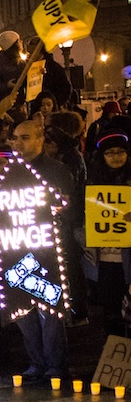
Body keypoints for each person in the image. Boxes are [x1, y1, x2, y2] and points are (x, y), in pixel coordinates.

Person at [9, 119, 72, 379]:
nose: (18, 143)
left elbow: (68, 209)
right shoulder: (9, 173)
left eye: (24, 138)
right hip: (16, 250)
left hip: (47, 251)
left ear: (40, 139)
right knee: (23, 311)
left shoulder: (58, 170)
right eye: (14, 138)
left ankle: (55, 365)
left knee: (50, 309)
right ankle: (36, 363)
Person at [86, 133, 131, 337]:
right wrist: (86, 237)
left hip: (128, 257)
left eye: (120, 152)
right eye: (110, 153)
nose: (115, 157)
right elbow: (79, 221)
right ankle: (114, 356)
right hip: (103, 259)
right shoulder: (93, 182)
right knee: (110, 310)